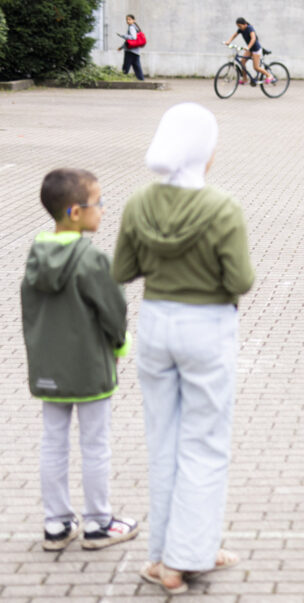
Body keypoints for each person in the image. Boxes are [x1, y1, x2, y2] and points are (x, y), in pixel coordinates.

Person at [113, 103, 254, 595]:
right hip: (207, 325)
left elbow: (121, 271)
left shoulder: (139, 202)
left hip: (155, 324)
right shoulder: (221, 207)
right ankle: (185, 558)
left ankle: (165, 553)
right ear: (204, 150)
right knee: (205, 444)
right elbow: (240, 279)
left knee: (165, 443)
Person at [21, 168, 140, 552]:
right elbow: (113, 310)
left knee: (53, 443)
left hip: (49, 369)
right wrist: (120, 346)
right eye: (97, 203)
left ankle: (56, 524)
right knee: (95, 445)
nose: (103, 210)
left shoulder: (36, 257)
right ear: (75, 212)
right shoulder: (92, 260)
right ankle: (98, 522)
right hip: (89, 368)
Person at [224, 17, 274, 84]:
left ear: (245, 24)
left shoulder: (250, 28)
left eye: (240, 26)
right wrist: (228, 41)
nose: (239, 27)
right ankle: (245, 79)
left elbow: (253, 39)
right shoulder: (241, 29)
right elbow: (234, 35)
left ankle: (269, 76)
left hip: (256, 49)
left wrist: (248, 47)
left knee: (256, 67)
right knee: (242, 62)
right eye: (238, 26)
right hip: (250, 49)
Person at [116, 14, 145, 81]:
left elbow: (133, 37)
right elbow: (128, 41)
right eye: (127, 19)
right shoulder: (136, 27)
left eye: (129, 19)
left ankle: (122, 79)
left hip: (130, 50)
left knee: (126, 66)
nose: (128, 21)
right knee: (137, 66)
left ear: (133, 20)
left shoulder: (131, 27)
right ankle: (141, 79)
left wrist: (123, 36)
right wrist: (121, 47)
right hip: (136, 51)